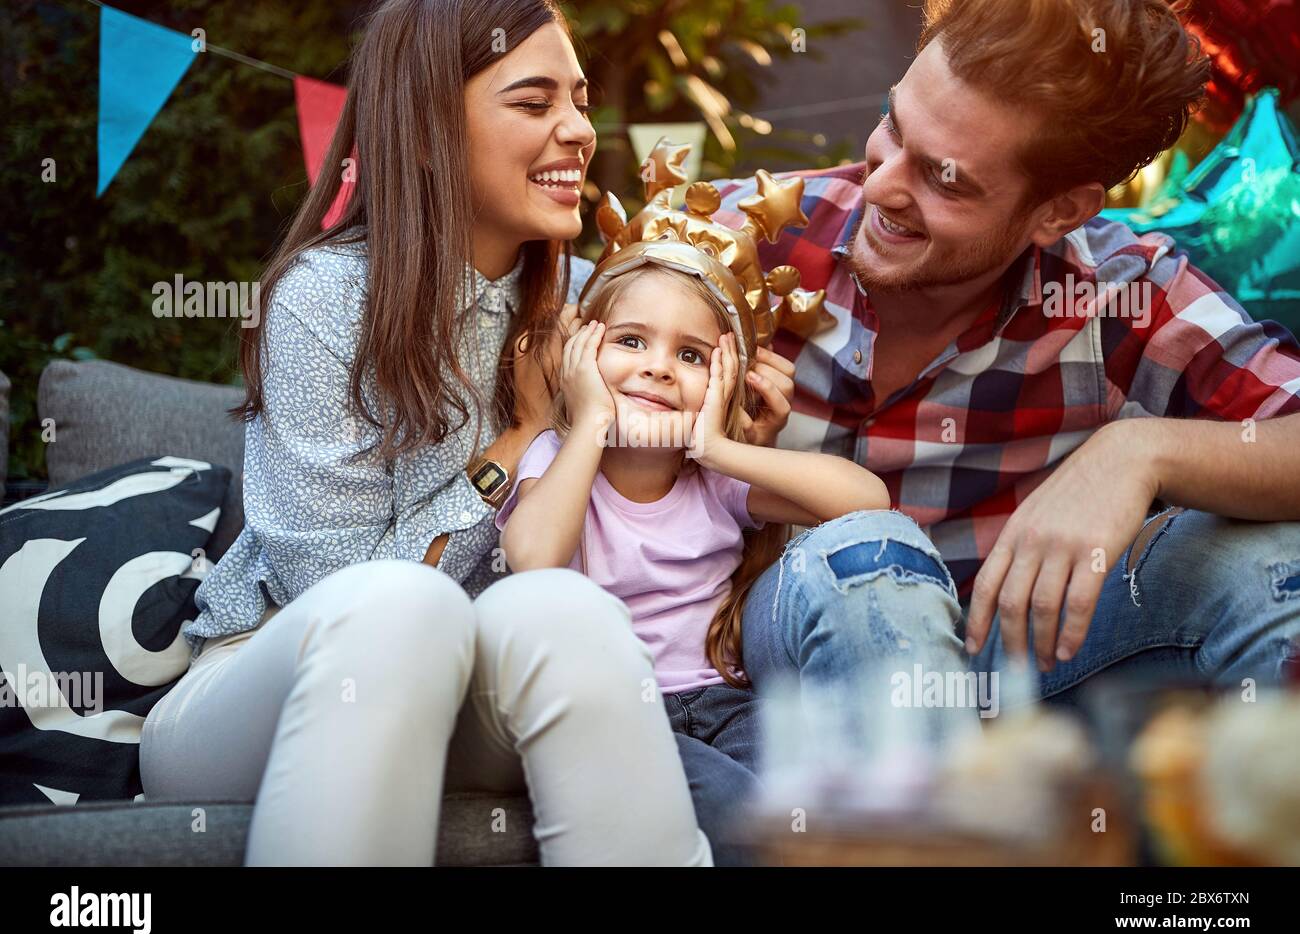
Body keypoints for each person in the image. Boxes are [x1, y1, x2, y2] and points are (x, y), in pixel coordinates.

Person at [138, 0, 724, 866]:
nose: (578, 131)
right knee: (404, 607)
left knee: (567, 610)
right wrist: (522, 436)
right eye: (534, 104)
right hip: (268, 686)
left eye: (581, 99)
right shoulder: (322, 303)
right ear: (425, 132)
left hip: (473, 696)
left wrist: (729, 420)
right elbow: (334, 592)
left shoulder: (596, 312)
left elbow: (666, 498)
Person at [706, 0, 1300, 728]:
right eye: (893, 126)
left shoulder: (1122, 294)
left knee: (1265, 561)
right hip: (776, 658)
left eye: (944, 179)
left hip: (1009, 666)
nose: (883, 186)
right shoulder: (738, 244)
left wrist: (1139, 452)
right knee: (867, 557)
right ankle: (938, 829)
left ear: (1060, 212)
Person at [495, 256, 888, 863]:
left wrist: (717, 447)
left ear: (724, 380)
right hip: (623, 712)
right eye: (630, 341)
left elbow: (867, 504)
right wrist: (592, 419)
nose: (657, 366)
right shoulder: (560, 455)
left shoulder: (713, 479)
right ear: (582, 357)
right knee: (739, 811)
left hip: (728, 703)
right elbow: (534, 560)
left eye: (691, 355)